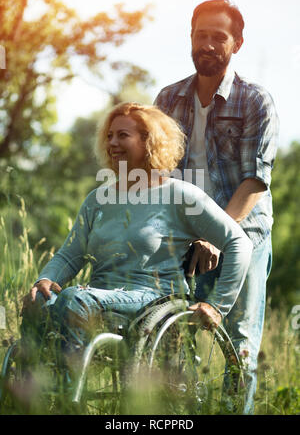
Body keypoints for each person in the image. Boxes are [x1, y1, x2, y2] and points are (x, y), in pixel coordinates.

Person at [20, 102, 252, 401]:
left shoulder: (180, 194)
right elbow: (70, 253)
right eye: (109, 136)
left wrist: (217, 305)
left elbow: (239, 242)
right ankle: (29, 399)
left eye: (123, 136)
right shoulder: (98, 199)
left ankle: (64, 401)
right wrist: (45, 279)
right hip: (98, 297)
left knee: (74, 298)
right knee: (38, 302)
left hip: (153, 299)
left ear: (148, 141)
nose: (113, 143)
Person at [154, 0, 279, 414]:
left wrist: (217, 234)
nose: (207, 44)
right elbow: (157, 173)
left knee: (239, 340)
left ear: (237, 43)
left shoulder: (255, 101)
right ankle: (180, 413)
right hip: (185, 232)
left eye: (218, 37)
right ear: (191, 38)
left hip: (244, 231)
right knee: (167, 329)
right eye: (200, 35)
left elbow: (255, 180)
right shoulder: (168, 98)